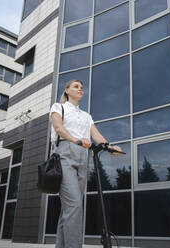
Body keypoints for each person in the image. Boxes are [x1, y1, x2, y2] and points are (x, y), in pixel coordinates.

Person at [50, 79, 121, 248]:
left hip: (83, 159)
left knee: (69, 209)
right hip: (65, 155)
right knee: (74, 204)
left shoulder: (86, 116)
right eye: (76, 87)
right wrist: (76, 140)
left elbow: (96, 135)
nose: (80, 89)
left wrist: (110, 147)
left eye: (82, 88)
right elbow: (58, 128)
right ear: (67, 90)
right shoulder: (58, 107)